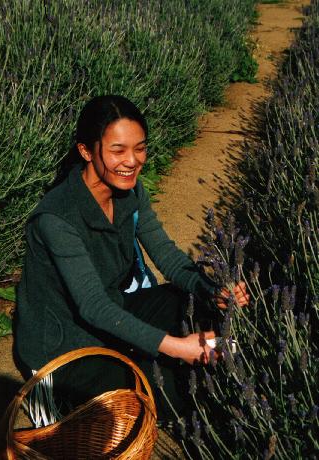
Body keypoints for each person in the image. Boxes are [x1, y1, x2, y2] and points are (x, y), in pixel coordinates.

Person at [14, 95, 249, 422]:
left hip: (111, 312)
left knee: (194, 303)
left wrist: (213, 290)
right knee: (169, 391)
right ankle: (55, 398)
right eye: (118, 150)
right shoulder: (57, 218)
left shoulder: (131, 192)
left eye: (140, 148)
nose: (132, 161)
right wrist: (176, 347)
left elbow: (166, 256)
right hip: (62, 345)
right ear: (86, 151)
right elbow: (92, 305)